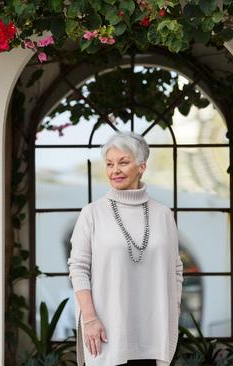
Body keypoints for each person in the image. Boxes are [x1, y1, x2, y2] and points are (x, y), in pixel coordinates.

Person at [67, 131, 184, 366]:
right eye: (110, 164)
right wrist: (89, 319)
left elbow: (176, 269)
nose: (114, 170)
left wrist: (171, 316)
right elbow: (78, 268)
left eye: (123, 162)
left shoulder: (163, 214)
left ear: (142, 166)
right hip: (107, 334)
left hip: (153, 336)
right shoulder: (92, 213)